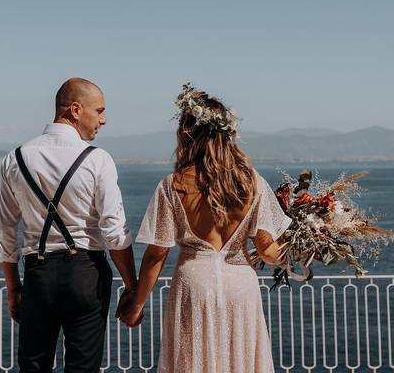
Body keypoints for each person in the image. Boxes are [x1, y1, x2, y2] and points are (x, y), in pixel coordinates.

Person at [117, 84, 291, 373]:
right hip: (240, 290)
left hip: (194, 289)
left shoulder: (173, 185)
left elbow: (156, 254)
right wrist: (296, 252)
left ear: (188, 135)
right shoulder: (252, 182)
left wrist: (137, 303)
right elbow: (267, 250)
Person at [0, 77, 138, 373]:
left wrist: (13, 288)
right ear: (75, 109)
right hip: (86, 273)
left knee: (33, 365)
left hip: (39, 273)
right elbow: (115, 232)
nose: (104, 119)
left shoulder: (16, 158)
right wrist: (132, 285)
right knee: (83, 367)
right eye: (99, 111)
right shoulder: (97, 160)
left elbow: (6, 233)